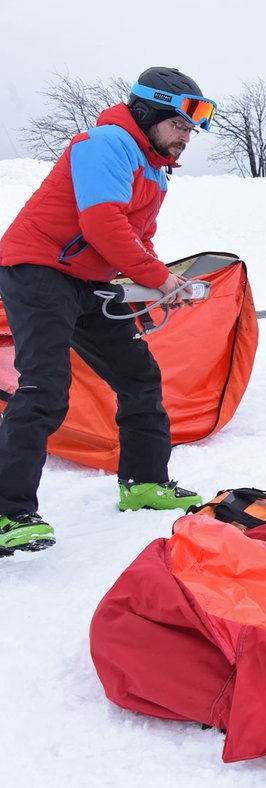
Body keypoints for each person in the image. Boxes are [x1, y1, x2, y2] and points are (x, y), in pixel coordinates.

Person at [0, 66, 216, 556]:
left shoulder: (154, 168)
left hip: (86, 280)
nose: (187, 136)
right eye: (181, 125)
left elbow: (138, 237)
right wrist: (158, 278)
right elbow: (101, 223)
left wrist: (158, 281)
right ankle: (8, 511)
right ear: (152, 111)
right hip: (37, 270)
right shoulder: (106, 143)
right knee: (44, 388)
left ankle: (143, 483)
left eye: (191, 129)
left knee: (138, 375)